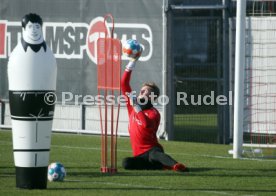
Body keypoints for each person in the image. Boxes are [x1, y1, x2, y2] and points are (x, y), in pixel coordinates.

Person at [121, 51, 188, 172]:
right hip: (140, 155)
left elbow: (146, 124)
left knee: (155, 155)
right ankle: (158, 166)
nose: (142, 92)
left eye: (146, 91)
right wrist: (132, 62)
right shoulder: (132, 106)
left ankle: (176, 165)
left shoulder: (154, 113)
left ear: (153, 97)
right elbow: (124, 84)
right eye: (142, 90)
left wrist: (136, 107)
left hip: (152, 150)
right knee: (126, 163)